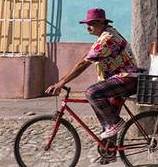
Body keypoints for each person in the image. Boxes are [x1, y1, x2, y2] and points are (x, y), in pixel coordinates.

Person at [46, 8, 139, 145]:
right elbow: (85, 58)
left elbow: (83, 64)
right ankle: (109, 151)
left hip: (126, 78)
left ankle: (115, 123)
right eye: (87, 24)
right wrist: (62, 81)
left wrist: (61, 83)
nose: (88, 27)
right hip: (118, 79)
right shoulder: (104, 36)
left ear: (102, 23)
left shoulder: (107, 38)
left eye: (92, 23)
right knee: (106, 117)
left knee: (92, 93)